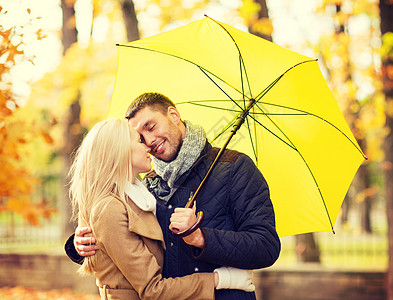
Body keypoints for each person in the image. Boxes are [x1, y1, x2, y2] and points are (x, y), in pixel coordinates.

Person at [65, 92, 281, 300]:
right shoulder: (145, 184)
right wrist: (80, 245)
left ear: (174, 116)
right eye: (140, 137)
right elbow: (125, 244)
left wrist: (201, 238)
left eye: (151, 127)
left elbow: (266, 246)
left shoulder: (234, 167)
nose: (148, 141)